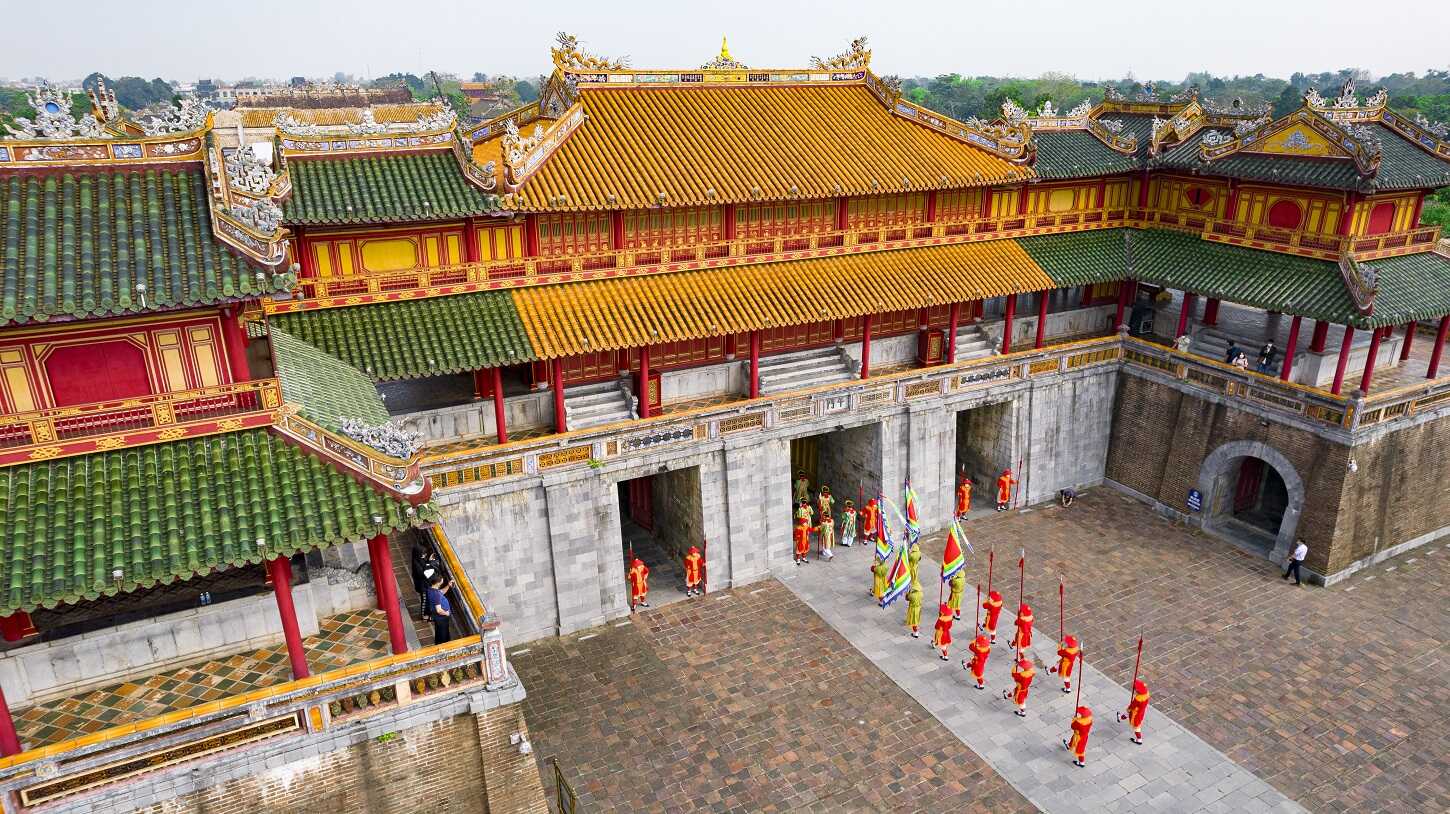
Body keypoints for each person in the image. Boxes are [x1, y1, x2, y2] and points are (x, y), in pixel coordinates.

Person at [1117, 678, 1151, 744]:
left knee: (1136, 727)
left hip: (1136, 713)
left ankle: (1139, 739)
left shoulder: (1138, 698)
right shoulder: (1146, 693)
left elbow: (1133, 705)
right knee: (1128, 714)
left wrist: (1128, 709)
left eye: (1136, 689)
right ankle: (1120, 718)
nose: (1135, 690)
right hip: (1141, 711)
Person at [425, 574, 452, 644]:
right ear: (437, 583)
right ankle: (443, 647)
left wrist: (448, 585)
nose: (442, 580)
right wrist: (447, 613)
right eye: (441, 580)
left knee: (440, 632)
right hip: (441, 617)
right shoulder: (436, 594)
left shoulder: (430, 589)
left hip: (437, 617)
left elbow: (441, 592)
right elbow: (439, 610)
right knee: (443, 634)